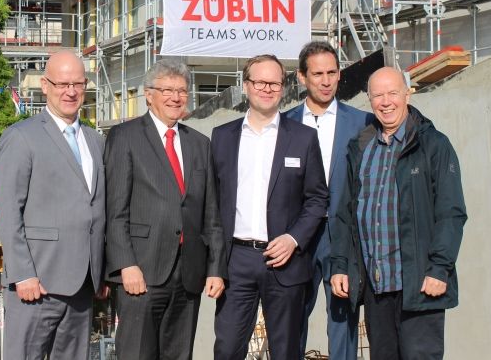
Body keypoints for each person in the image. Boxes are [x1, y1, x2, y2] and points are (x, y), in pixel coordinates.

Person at [330, 67, 467, 360]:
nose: (386, 101)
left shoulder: (433, 145)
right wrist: (340, 264)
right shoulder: (361, 148)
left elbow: (451, 213)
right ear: (369, 100)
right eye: (377, 95)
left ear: (408, 93)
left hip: (419, 285)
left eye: (393, 92)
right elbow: (345, 214)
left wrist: (439, 268)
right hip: (376, 286)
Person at [105, 59, 226, 360]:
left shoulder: (199, 143)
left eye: (182, 91)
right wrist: (125, 265)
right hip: (141, 273)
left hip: (188, 276)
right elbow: (115, 210)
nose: (176, 97)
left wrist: (215, 269)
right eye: (167, 90)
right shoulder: (125, 137)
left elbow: (210, 213)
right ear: (148, 94)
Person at [211, 54, 328, 360]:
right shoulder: (223, 138)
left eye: (274, 82)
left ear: (284, 87)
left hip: (284, 262)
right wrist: (214, 263)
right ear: (246, 85)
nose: (267, 88)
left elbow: (317, 199)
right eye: (260, 82)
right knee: (226, 349)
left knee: (286, 351)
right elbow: (212, 202)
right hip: (236, 261)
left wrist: (293, 239)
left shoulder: (303, 138)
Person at [0, 50, 106, 360]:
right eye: (62, 84)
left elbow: (98, 210)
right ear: (45, 85)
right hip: (37, 283)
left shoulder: (96, 141)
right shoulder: (21, 137)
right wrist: (22, 274)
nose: (70, 92)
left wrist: (101, 270)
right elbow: (8, 211)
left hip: (83, 284)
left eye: (78, 84)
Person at [284, 42, 371, 359]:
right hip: (297, 238)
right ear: (302, 77)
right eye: (317, 73)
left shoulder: (363, 124)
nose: (325, 80)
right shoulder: (284, 124)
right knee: (291, 321)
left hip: (342, 238)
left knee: (343, 322)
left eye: (331, 72)